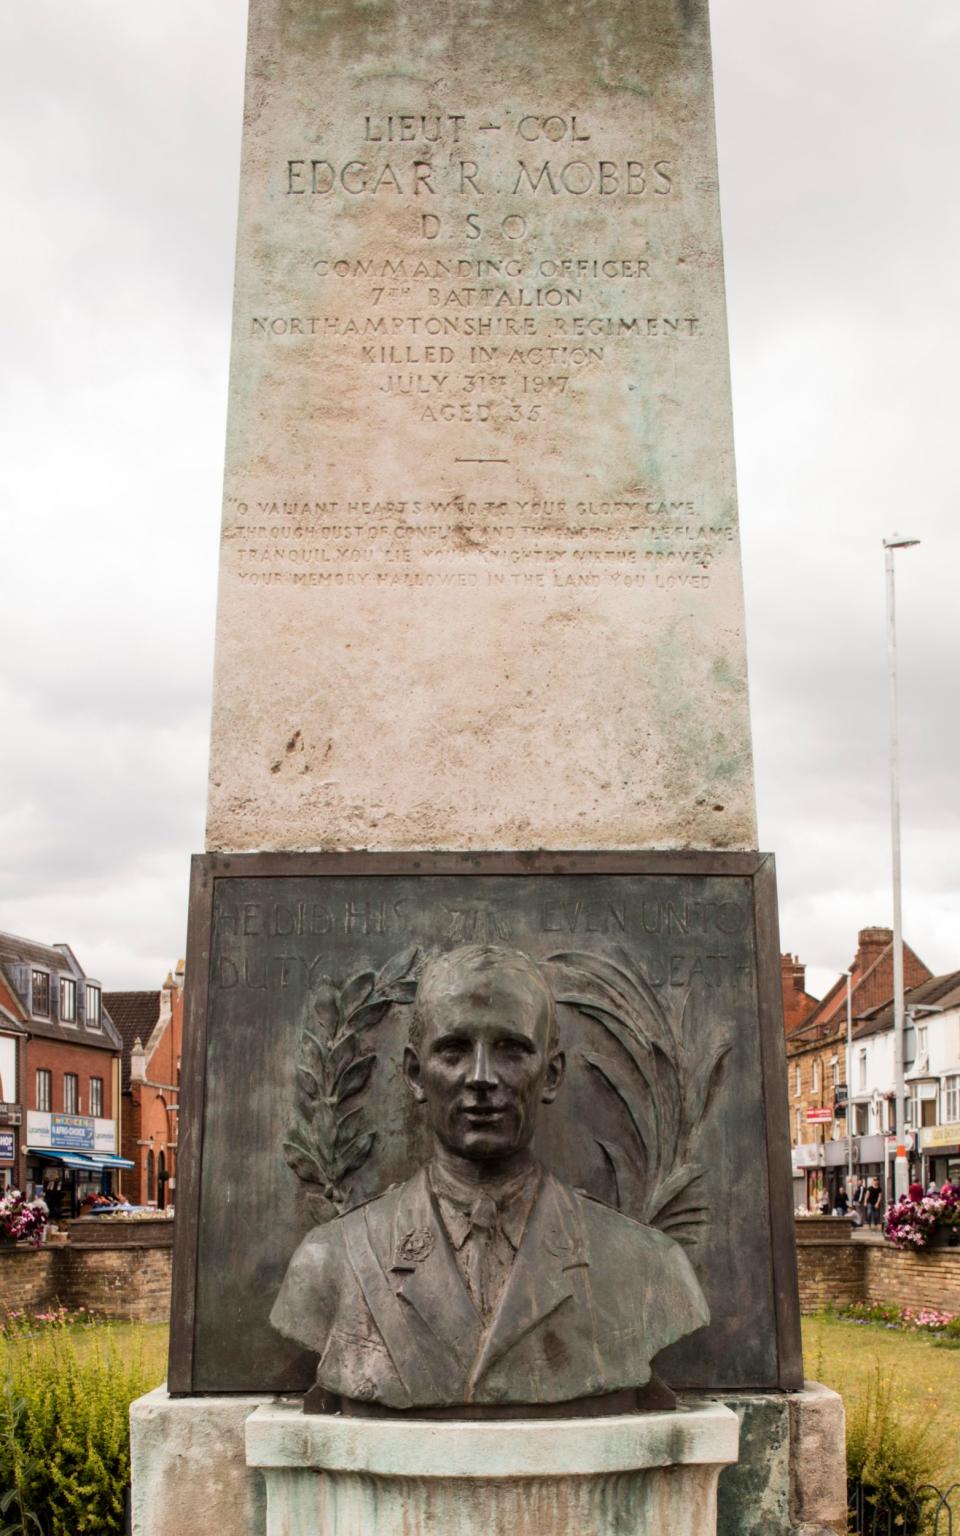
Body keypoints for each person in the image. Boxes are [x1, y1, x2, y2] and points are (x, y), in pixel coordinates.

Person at [272, 944, 710, 1413]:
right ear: (415, 1074)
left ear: (552, 1074)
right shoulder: (329, 1264)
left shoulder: (647, 1267)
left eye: (511, 1050)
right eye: (455, 1049)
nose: (481, 1077)